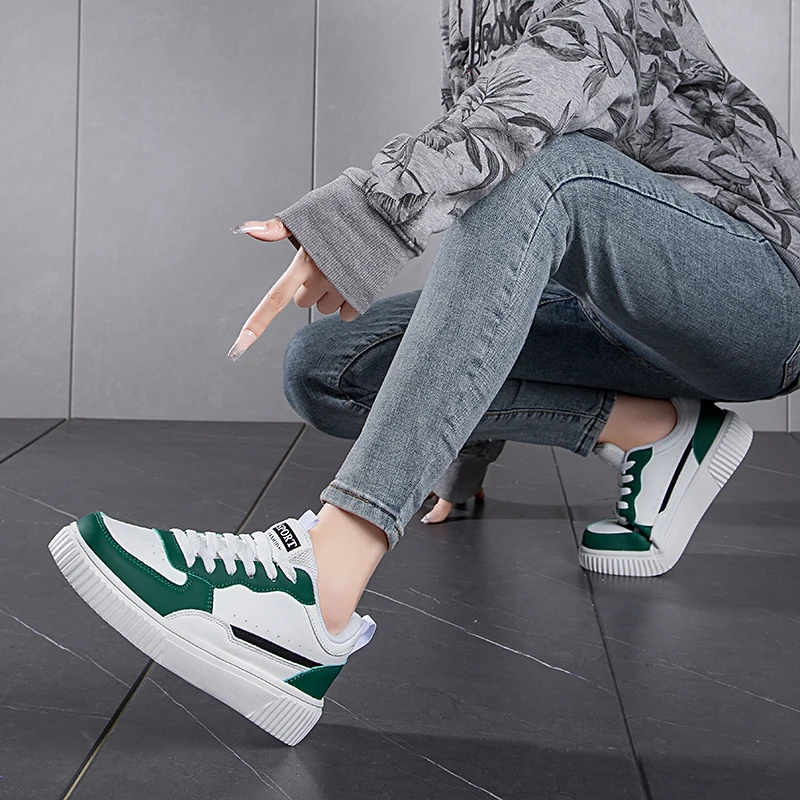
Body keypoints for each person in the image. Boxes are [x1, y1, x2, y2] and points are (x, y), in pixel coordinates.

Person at [50, 0, 800, 746]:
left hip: (756, 296)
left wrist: (365, 217)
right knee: (328, 366)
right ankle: (660, 432)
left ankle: (317, 594)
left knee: (546, 170)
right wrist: (460, 448)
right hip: (608, 317)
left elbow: (536, 103)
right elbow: (505, 239)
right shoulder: (473, 14)